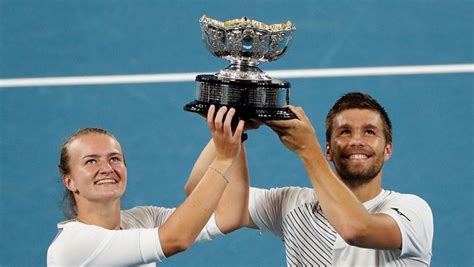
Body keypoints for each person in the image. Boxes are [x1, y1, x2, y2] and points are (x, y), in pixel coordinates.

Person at [185, 92, 434, 266]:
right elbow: (202, 191)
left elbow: (356, 229)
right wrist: (234, 130)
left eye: (369, 132)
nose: (357, 140)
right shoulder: (293, 206)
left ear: (387, 149)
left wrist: (308, 150)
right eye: (344, 132)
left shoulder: (412, 211)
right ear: (329, 150)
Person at [47, 105, 247, 266]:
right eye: (91, 161)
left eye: (114, 158)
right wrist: (223, 159)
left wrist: (233, 130)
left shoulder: (143, 219)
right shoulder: (73, 245)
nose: (107, 168)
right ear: (69, 181)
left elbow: (230, 216)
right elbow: (176, 239)